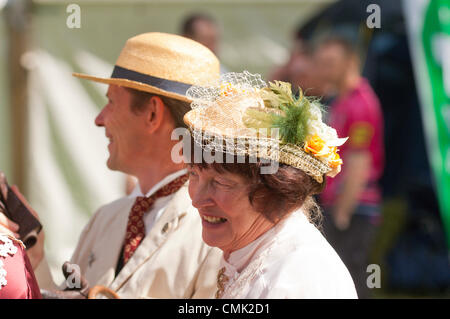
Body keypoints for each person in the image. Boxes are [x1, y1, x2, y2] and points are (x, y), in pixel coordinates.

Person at [0, 32, 222, 298]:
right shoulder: (105, 219)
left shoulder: (214, 230)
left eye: (111, 102)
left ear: (152, 113)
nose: (99, 119)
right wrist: (34, 257)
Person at [182, 71, 357, 298]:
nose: (196, 199)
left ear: (277, 189)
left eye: (221, 182)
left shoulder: (298, 279)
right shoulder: (250, 253)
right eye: (194, 174)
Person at [313, 36, 385, 299]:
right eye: (320, 63)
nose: (323, 70)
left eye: (330, 63)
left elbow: (360, 161)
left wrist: (343, 210)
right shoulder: (338, 100)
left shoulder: (361, 103)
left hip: (355, 207)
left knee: (352, 278)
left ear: (350, 62)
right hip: (337, 202)